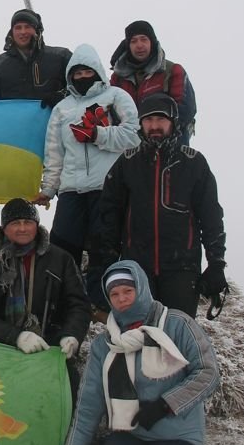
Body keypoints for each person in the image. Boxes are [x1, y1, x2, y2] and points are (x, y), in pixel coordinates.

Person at [57, 261, 223, 445]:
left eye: (128, 290)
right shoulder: (106, 344)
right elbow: (90, 401)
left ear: (142, 289)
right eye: (114, 294)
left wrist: (165, 405)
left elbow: (208, 373)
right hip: (131, 431)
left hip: (177, 433)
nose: (122, 299)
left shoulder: (177, 325)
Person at [95, 94, 228, 319]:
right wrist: (107, 260)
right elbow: (110, 214)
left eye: (161, 119)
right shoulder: (127, 163)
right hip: (137, 268)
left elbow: (211, 216)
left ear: (173, 122)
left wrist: (216, 263)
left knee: (177, 332)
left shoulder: (194, 163)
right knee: (139, 334)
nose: (154, 126)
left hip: (182, 269)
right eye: (148, 120)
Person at [35, 44, 139, 307]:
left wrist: (97, 135)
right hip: (71, 189)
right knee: (62, 246)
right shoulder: (62, 108)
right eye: (78, 73)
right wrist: (48, 189)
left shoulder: (116, 97)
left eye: (87, 72)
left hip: (107, 187)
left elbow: (134, 136)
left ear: (98, 71)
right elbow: (54, 153)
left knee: (103, 248)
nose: (83, 77)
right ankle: (65, 302)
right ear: (70, 76)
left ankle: (101, 304)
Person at [0, 199, 90, 394]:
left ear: (36, 225)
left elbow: (78, 304)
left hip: (49, 348)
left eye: (28, 222)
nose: (22, 228)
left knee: (67, 390)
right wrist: (16, 336)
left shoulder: (61, 259)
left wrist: (71, 335)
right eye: (16, 223)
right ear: (4, 227)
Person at [109, 20, 196, 144]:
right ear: (128, 45)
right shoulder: (118, 78)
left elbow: (186, 111)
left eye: (144, 39)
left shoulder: (172, 71)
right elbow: (111, 110)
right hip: (130, 146)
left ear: (152, 42)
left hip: (171, 145)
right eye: (133, 41)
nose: (139, 45)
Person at [0, 9, 72, 105]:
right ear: (12, 32)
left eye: (28, 27)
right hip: (13, 115)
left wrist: (62, 95)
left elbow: (79, 88)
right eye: (18, 27)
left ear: (37, 30)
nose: (23, 32)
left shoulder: (61, 57)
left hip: (57, 114)